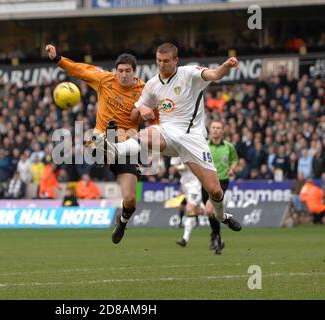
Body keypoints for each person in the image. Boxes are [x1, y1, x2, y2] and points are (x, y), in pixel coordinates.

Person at [96, 43, 242, 245]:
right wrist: (143, 111)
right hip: (167, 133)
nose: (162, 64)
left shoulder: (189, 74)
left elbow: (216, 75)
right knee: (146, 135)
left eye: (166, 61)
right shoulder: (152, 84)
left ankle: (222, 216)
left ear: (175, 60)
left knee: (215, 191)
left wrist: (226, 65)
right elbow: (134, 114)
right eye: (159, 61)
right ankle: (112, 148)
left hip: (193, 139)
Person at [46, 44, 148, 244]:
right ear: (115, 71)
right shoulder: (105, 79)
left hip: (128, 146)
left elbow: (157, 117)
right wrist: (57, 58)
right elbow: (80, 69)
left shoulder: (145, 91)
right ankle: (100, 151)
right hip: (101, 136)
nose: (123, 75)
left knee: (130, 200)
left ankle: (122, 221)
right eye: (120, 71)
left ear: (135, 72)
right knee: (95, 138)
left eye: (128, 71)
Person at [202, 120, 238, 254]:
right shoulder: (204, 145)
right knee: (211, 213)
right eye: (213, 127)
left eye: (218, 128)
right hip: (205, 182)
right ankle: (218, 240)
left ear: (222, 131)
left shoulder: (229, 146)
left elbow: (234, 159)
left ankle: (214, 237)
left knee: (209, 209)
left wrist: (232, 169)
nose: (216, 130)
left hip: (221, 182)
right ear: (209, 130)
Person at [174, 160, 204, 248]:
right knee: (198, 211)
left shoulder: (195, 155)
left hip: (195, 187)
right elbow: (181, 169)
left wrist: (180, 167)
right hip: (186, 187)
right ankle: (218, 236)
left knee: (189, 209)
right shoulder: (182, 155)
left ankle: (184, 239)